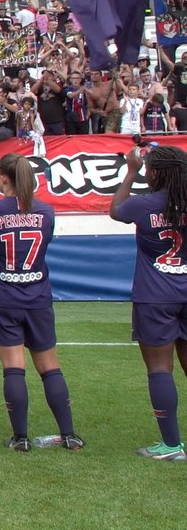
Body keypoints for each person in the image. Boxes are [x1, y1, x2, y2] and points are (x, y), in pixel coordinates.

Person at [0, 153, 84, 451]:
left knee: (14, 367)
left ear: (4, 177)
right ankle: (69, 434)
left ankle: (21, 438)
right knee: (50, 366)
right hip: (38, 297)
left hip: (4, 297)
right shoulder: (46, 212)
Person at [111, 144, 187, 460]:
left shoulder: (143, 205)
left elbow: (116, 209)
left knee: (159, 369)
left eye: (148, 169)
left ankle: (171, 445)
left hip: (155, 296)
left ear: (155, 173)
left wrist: (130, 172)